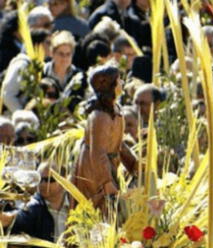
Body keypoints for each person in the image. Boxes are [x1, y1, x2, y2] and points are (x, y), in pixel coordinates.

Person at [73, 65, 137, 211]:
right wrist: (105, 182)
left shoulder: (116, 111)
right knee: (98, 210)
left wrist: (133, 163)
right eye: (119, 80)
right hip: (95, 172)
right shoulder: (99, 117)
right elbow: (97, 152)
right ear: (110, 85)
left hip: (109, 166)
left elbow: (118, 145)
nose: (122, 83)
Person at [0, 163, 69, 242]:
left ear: (63, 180)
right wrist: (5, 218)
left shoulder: (76, 203)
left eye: (48, 180)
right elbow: (19, 217)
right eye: (40, 180)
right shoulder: (33, 206)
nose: (43, 184)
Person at [1, 28, 51, 113]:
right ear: (37, 44)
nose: (51, 46)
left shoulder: (40, 65)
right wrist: (23, 115)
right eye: (48, 43)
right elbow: (8, 95)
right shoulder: (22, 64)